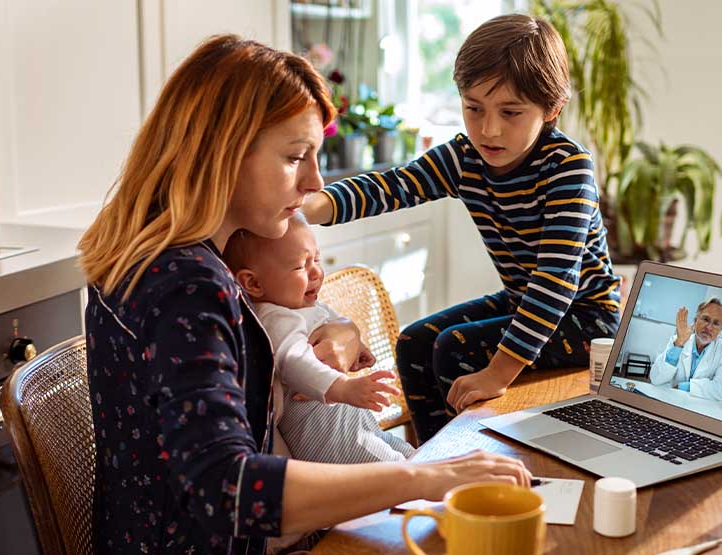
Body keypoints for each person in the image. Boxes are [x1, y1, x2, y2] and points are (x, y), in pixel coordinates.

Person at [77, 35, 530, 554]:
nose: (314, 181)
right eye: (296, 157)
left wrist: (340, 330)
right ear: (221, 153)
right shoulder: (188, 285)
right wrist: (424, 479)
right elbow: (231, 489)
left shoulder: (147, 254)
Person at [301, 14, 620, 442]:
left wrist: (499, 373)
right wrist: (305, 207)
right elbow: (391, 186)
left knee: (454, 347)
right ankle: (432, 458)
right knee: (415, 342)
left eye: (510, 112)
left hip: (589, 319)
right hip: (522, 301)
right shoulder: (464, 157)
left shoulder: (567, 168)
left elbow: (554, 283)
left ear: (552, 109)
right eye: (473, 108)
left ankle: (466, 459)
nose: (489, 129)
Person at [223, 215, 415, 464]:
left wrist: (358, 348)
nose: (317, 272)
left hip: (354, 428)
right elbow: (295, 360)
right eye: (301, 266)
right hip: (327, 439)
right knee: (404, 474)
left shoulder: (303, 306)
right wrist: (342, 387)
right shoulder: (273, 317)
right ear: (253, 283)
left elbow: (333, 322)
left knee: (415, 458)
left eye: (316, 259)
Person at [649, 298, 722, 401]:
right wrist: (679, 344)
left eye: (716, 323)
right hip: (669, 399)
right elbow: (656, 378)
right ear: (695, 320)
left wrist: (685, 387)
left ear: (721, 329)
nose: (709, 327)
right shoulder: (677, 340)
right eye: (706, 319)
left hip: (697, 406)